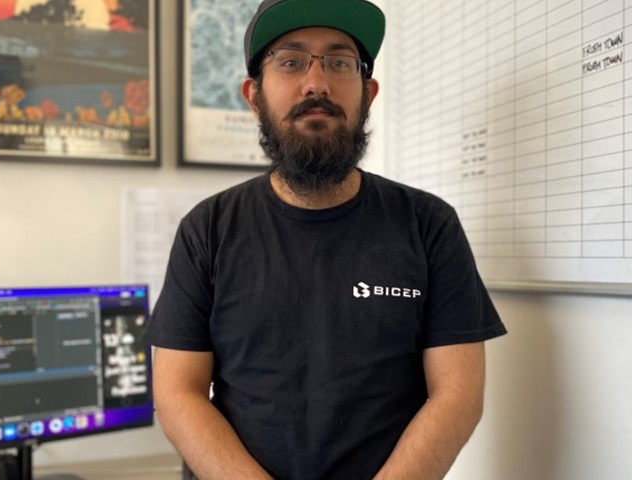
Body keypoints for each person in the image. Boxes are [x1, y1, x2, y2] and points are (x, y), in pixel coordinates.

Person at [144, 0, 507, 478]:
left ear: (368, 93)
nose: (316, 84)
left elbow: (457, 397)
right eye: (290, 61)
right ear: (254, 95)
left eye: (339, 63)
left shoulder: (428, 224)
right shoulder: (207, 229)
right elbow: (177, 393)